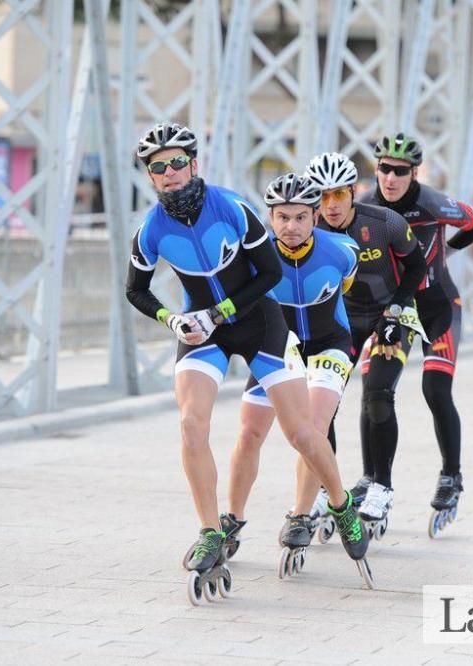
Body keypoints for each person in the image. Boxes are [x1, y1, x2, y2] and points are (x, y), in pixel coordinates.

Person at [124, 124, 370, 596]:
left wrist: (222, 311)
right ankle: (211, 530)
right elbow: (135, 290)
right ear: (151, 178)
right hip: (202, 329)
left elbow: (271, 271)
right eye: (158, 167)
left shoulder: (231, 207)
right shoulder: (151, 230)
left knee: (302, 433)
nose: (169, 172)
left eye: (177, 162)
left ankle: (341, 507)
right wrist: (170, 320)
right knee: (192, 424)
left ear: (194, 164)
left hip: (258, 322)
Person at [225, 172, 360, 570]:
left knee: (312, 430)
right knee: (249, 432)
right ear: (270, 218)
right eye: (282, 217)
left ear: (315, 218)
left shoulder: (343, 251)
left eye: (301, 217)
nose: (291, 226)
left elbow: (345, 287)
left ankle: (301, 515)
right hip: (277, 349)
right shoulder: (254, 256)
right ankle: (231, 519)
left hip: (329, 346)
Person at [359, 132, 473, 531]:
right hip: (395, 310)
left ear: (414, 173)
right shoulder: (365, 205)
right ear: (376, 169)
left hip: (437, 307)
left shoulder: (433, 203)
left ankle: (452, 475)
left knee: (435, 389)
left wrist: (448, 251)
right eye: (384, 169)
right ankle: (373, 479)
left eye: (400, 171)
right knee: (374, 391)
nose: (391, 178)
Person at [304, 151, 427, 532]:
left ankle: (382, 486)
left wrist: (396, 310)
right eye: (322, 198)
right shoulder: (308, 230)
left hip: (390, 314)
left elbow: (417, 266)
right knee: (321, 405)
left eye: (338, 195)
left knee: (377, 392)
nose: (331, 206)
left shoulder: (384, 221)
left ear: (353, 192)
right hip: (342, 322)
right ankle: (327, 488)